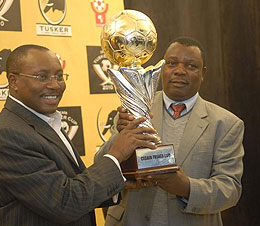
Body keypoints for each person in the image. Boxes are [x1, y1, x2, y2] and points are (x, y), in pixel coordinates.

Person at [0, 44, 160, 226]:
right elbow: (65, 203)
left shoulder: (43, 120)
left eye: (59, 76)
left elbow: (68, 186)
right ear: (13, 82)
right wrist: (117, 154)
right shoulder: (11, 134)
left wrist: (121, 180)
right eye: (42, 77)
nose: (54, 85)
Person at [95, 37, 245, 226]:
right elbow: (101, 167)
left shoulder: (226, 124)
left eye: (191, 66)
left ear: (203, 73)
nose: (179, 71)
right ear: (161, 68)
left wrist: (187, 188)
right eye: (172, 63)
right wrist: (121, 134)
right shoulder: (133, 109)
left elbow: (229, 189)